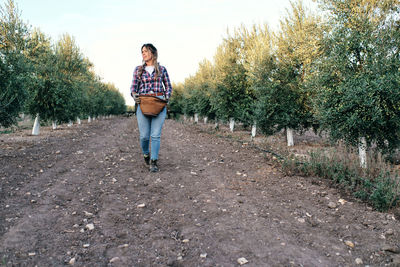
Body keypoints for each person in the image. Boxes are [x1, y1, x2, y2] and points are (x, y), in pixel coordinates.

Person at [130, 43, 172, 172]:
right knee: (144, 136)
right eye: (142, 51)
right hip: (143, 103)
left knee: (155, 135)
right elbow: (133, 87)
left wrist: (166, 97)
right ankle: (146, 154)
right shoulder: (138, 69)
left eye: (146, 51)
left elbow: (168, 86)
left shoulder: (162, 69)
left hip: (159, 103)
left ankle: (154, 161)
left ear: (153, 53)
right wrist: (134, 95)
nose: (143, 53)